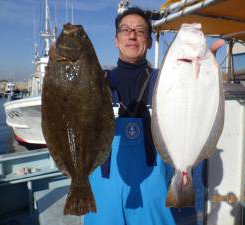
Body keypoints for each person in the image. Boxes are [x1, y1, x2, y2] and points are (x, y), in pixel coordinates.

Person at [84, 7, 223, 225]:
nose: (132, 35)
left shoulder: (169, 77)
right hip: (102, 191)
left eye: (140, 30)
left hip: (155, 190)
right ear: (115, 39)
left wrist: (203, 78)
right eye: (125, 29)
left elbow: (194, 107)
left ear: (149, 41)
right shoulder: (95, 82)